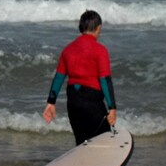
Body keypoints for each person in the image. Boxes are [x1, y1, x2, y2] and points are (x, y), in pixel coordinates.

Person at [43, 9, 117, 145]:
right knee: (105, 141)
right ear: (98, 28)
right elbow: (104, 80)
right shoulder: (100, 50)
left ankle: (81, 165)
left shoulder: (68, 49)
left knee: (82, 144)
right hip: (92, 102)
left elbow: (59, 77)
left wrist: (51, 103)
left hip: (73, 102)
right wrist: (112, 107)